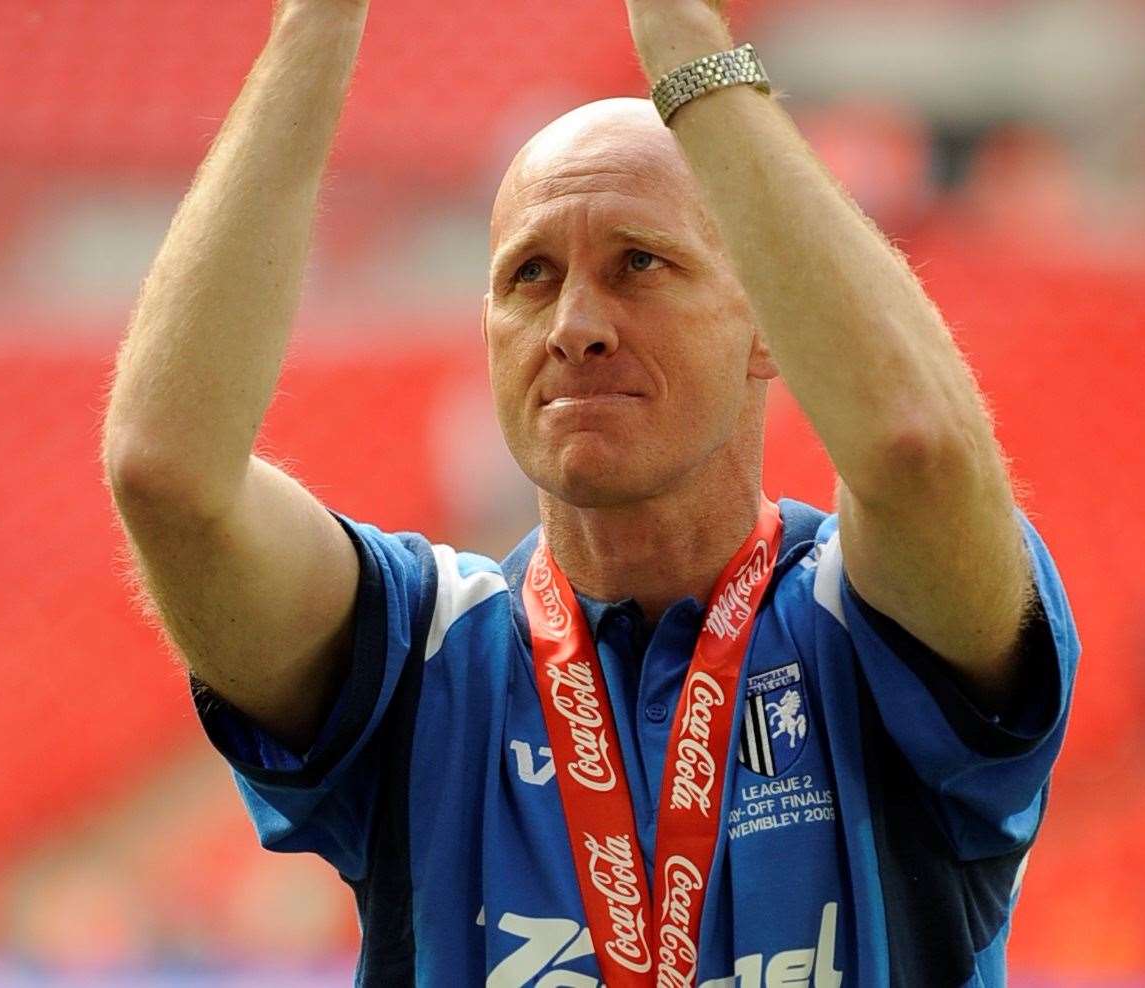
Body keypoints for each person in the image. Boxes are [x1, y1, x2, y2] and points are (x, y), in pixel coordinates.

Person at [101, 0, 1080, 984]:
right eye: (529, 274)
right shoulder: (427, 654)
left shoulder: (862, 626)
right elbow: (169, 475)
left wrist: (686, 41)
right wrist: (316, 21)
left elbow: (913, 448)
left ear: (767, 325)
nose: (575, 323)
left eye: (637, 264)